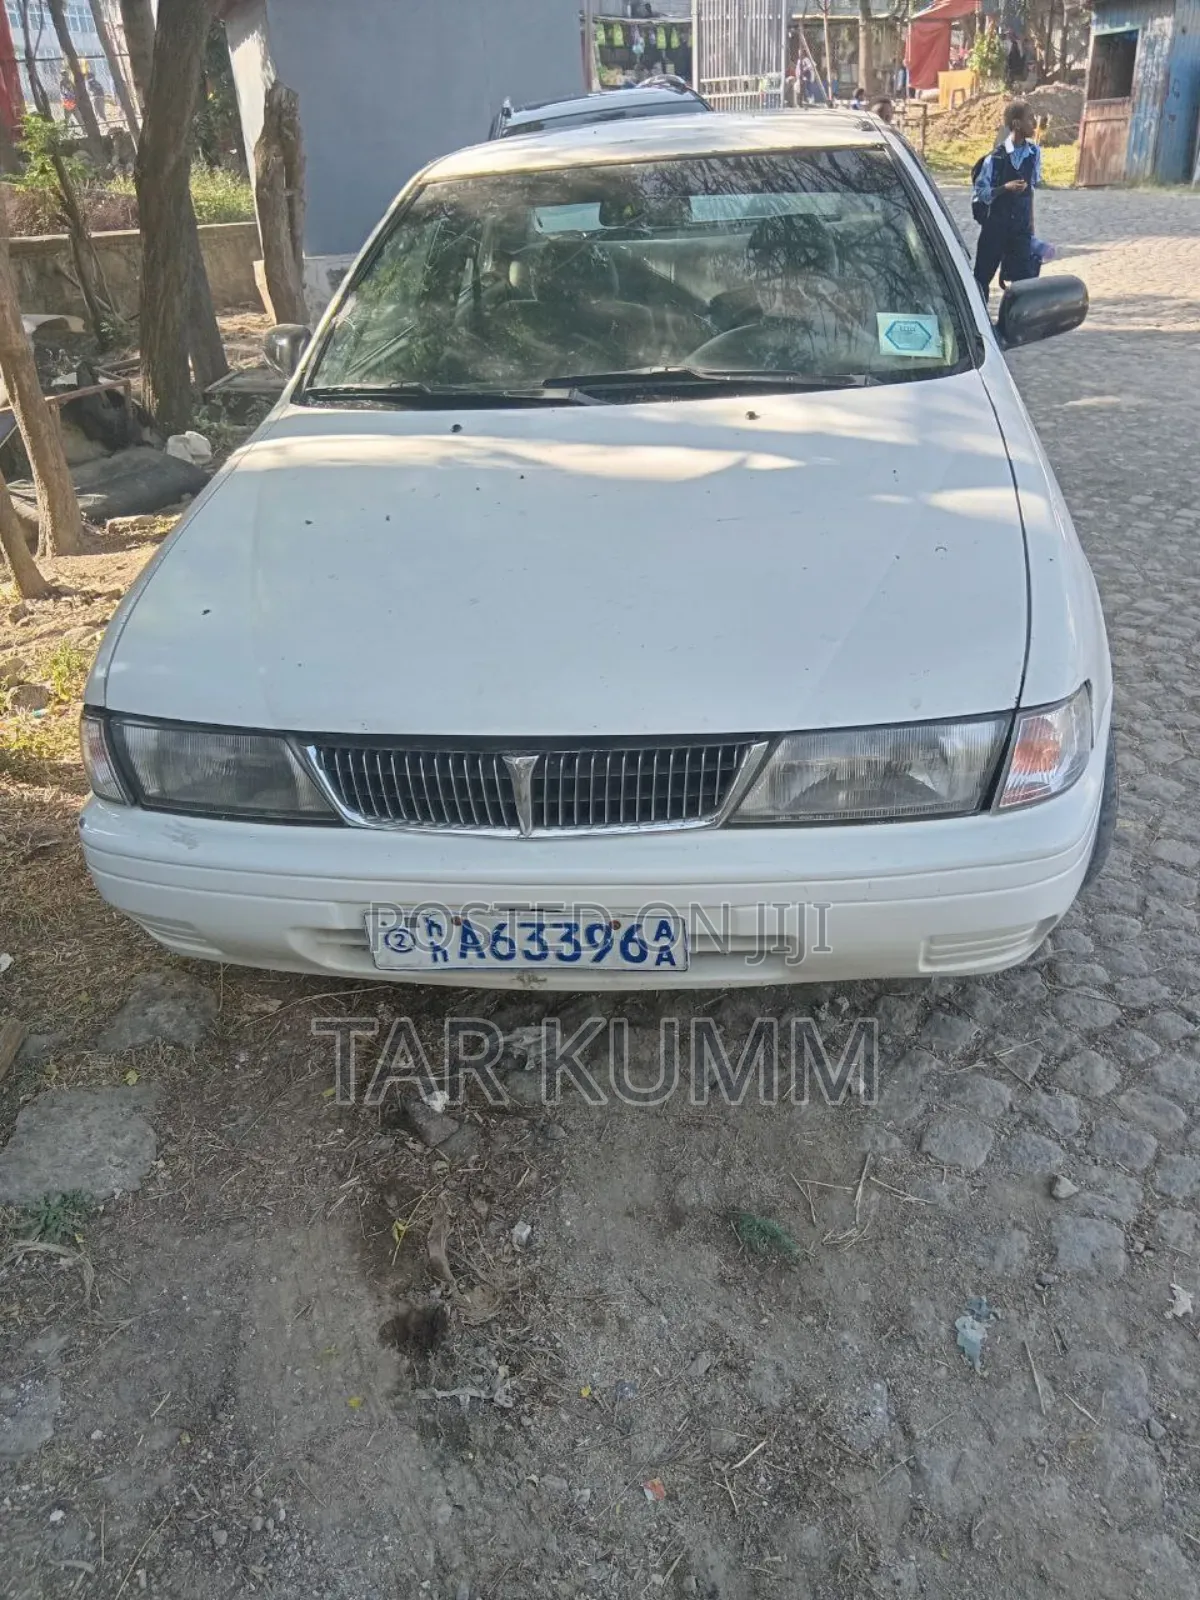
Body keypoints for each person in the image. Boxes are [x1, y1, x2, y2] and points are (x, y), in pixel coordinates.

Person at [972, 100, 1043, 299]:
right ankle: (979, 321)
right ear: (1017, 124)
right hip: (996, 226)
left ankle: (1015, 323)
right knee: (981, 279)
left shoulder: (1034, 154)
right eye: (1029, 118)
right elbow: (982, 193)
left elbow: (1031, 193)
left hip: (1020, 228)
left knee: (1024, 283)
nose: (1034, 123)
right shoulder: (995, 158)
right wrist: (1005, 188)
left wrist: (1030, 228)